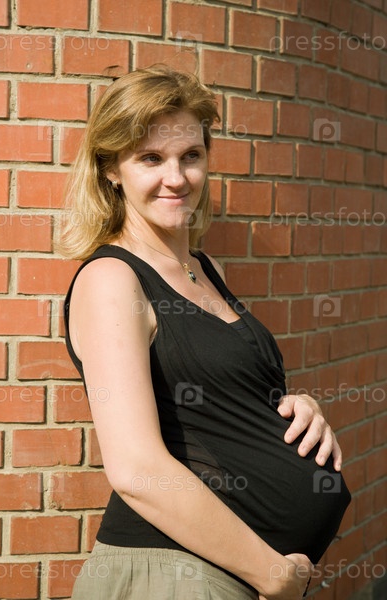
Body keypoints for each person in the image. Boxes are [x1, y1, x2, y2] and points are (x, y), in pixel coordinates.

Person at [61, 66, 351, 600]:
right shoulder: (112, 280)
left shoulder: (204, 268)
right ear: (111, 169)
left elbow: (217, 397)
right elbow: (136, 469)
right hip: (171, 575)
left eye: (190, 155)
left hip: (229, 573)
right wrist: (272, 574)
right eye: (151, 158)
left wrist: (293, 408)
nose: (176, 178)